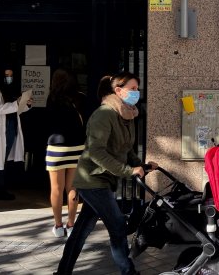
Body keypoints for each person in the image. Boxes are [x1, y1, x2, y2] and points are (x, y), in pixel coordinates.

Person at [55, 72, 157, 275]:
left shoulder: (127, 115)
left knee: (81, 231)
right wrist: (128, 170)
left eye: (138, 89)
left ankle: (62, 272)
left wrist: (141, 165)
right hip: (92, 179)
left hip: (105, 179)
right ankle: (129, 272)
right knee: (118, 225)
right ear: (118, 91)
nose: (137, 93)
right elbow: (96, 151)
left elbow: (126, 149)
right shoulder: (104, 114)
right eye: (133, 89)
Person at [0, 68, 32, 205]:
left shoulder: (5, 89)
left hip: (8, 129)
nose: (9, 78)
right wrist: (17, 104)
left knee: (1, 160)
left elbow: (13, 109)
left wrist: (25, 105)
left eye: (11, 75)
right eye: (6, 75)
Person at [46, 68, 86, 238]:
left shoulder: (52, 98)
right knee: (73, 188)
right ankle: (71, 225)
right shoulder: (80, 97)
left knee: (56, 189)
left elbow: (48, 122)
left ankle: (58, 226)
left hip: (56, 147)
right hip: (77, 147)